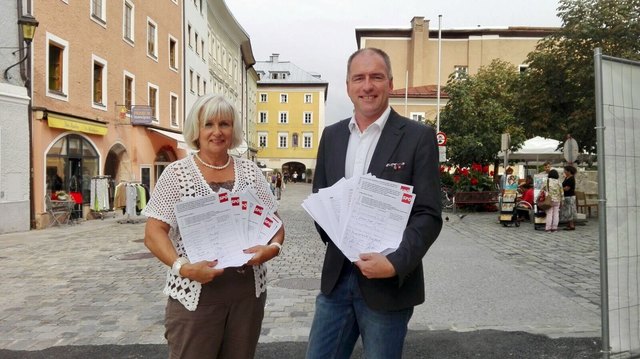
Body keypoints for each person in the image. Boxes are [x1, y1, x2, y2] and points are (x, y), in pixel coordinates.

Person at [306, 48, 443, 359]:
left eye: (376, 77)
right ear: (348, 86)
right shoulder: (332, 136)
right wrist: (341, 237)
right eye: (359, 78)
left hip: (388, 284)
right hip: (337, 278)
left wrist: (395, 262)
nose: (367, 86)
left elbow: (428, 214)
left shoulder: (418, 137)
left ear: (390, 83)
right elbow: (320, 200)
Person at [142, 94, 285, 359]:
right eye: (209, 124)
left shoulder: (251, 172)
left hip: (246, 295)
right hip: (196, 293)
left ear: (234, 130)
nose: (217, 132)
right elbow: (153, 233)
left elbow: (275, 223)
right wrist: (182, 267)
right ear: (197, 129)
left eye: (225, 124)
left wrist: (273, 248)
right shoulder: (176, 174)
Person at [562, 165, 578, 230]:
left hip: (570, 196)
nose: (564, 172)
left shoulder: (571, 178)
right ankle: (569, 224)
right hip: (566, 196)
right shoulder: (566, 178)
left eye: (565, 170)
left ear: (569, 171)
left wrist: (560, 188)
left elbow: (567, 188)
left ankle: (572, 225)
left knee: (570, 210)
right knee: (567, 210)